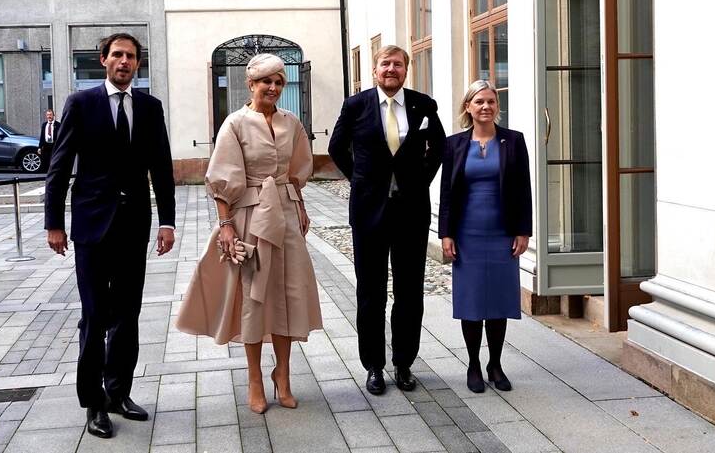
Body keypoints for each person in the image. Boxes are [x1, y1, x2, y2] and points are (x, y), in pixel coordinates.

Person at [44, 33, 176, 439]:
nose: (124, 62)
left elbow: (162, 167)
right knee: (95, 316)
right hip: (91, 229)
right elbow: (61, 165)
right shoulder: (81, 104)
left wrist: (167, 221)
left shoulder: (150, 108)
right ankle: (94, 403)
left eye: (131, 57)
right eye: (117, 55)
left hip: (134, 226)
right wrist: (54, 223)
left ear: (138, 64)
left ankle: (118, 392)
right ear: (103, 60)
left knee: (128, 315)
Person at [176, 53, 322, 414]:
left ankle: (283, 374)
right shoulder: (235, 124)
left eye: (279, 82)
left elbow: (298, 171)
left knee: (289, 295)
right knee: (254, 298)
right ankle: (255, 378)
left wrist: (301, 207)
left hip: (286, 215)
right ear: (251, 84)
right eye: (266, 81)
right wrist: (225, 227)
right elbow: (222, 180)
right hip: (249, 216)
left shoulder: (293, 124)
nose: (273, 88)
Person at [328, 45, 445, 395]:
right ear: (375, 70)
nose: (391, 69)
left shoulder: (422, 104)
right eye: (385, 64)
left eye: (397, 64)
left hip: (411, 212)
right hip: (369, 212)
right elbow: (336, 148)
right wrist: (361, 180)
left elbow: (438, 147)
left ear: (406, 70)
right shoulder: (356, 105)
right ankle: (374, 366)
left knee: (410, 292)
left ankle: (404, 363)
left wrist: (420, 180)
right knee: (371, 291)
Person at [438, 80, 531, 394]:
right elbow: (447, 193)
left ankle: (495, 364)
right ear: (468, 107)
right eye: (479, 102)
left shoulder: (513, 141)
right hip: (468, 233)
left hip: (503, 232)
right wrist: (446, 234)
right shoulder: (454, 145)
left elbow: (523, 189)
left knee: (499, 301)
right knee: (472, 300)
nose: (486, 107)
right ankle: (474, 365)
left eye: (491, 101)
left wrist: (523, 230)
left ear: (497, 106)